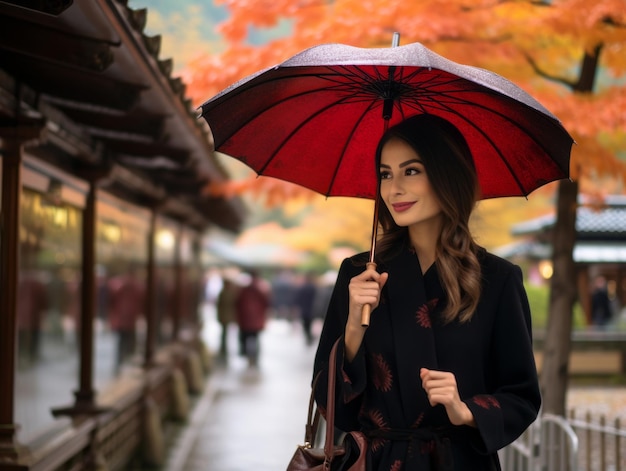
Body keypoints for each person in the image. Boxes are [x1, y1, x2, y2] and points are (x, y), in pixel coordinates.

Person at [312, 114, 541, 470]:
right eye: (385, 174)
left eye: (411, 171)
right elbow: (334, 410)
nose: (394, 189)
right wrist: (354, 331)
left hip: (459, 462)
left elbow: (521, 396)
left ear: (447, 175)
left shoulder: (497, 278)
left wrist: (465, 410)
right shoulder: (359, 275)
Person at [235, 270, 270, 368]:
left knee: (246, 338)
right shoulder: (261, 290)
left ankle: (248, 356)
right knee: (255, 338)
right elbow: (266, 304)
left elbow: (237, 303)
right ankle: (255, 357)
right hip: (256, 320)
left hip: (245, 320)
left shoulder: (244, 290)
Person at [294, 272, 318, 345]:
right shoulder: (314, 288)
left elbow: (298, 298)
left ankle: (308, 336)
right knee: (309, 323)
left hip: (304, 308)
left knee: (305, 324)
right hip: (312, 308)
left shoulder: (302, 287)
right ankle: (309, 336)